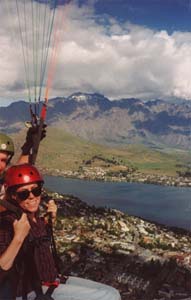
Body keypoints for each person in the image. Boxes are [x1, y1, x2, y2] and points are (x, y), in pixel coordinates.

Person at [0, 163, 121, 300]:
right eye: (23, 193)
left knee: (112, 291)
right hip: (32, 289)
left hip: (53, 279)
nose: (32, 196)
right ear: (13, 196)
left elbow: (37, 242)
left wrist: (50, 220)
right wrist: (18, 238)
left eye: (36, 190)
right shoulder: (8, 222)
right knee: (109, 296)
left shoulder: (36, 218)